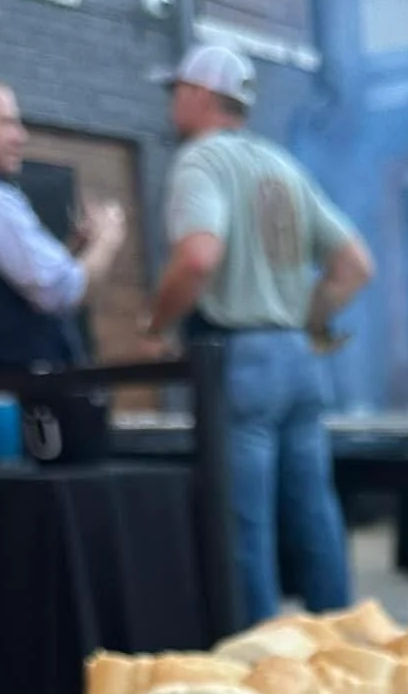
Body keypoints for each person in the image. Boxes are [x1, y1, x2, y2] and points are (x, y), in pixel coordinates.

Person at [145, 44, 374, 625]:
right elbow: (355, 265)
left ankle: (257, 663)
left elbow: (198, 257)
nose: (173, 104)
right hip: (299, 360)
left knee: (244, 523)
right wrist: (307, 317)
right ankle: (342, 649)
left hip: (242, 359)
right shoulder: (282, 167)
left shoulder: (200, 162)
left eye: (177, 92)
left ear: (199, 94)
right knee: (314, 514)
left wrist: (156, 323)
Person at [0, 74, 125, 393]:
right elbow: (61, 290)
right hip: (38, 408)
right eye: (7, 123)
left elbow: (15, 290)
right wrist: (107, 238)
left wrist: (74, 251)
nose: (21, 136)